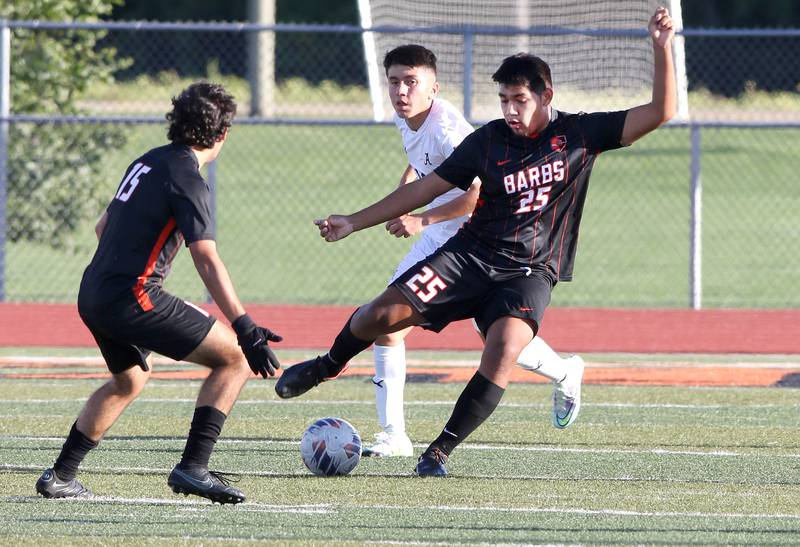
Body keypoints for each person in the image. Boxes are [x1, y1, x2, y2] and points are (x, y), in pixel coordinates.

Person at [277, 7, 676, 477]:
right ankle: (326, 365)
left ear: (547, 95)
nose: (509, 109)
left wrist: (660, 48)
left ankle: (439, 451)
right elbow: (422, 189)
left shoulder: (580, 134)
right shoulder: (487, 141)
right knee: (381, 316)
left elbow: (660, 112)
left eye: (520, 99)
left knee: (505, 346)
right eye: (503, 99)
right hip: (468, 256)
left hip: (529, 271)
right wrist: (354, 221)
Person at [35, 82, 281, 503]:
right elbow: (206, 258)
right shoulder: (188, 178)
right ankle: (193, 467)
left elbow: (102, 228)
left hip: (93, 291)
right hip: (133, 297)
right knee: (235, 358)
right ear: (222, 134)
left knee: (129, 380)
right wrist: (246, 327)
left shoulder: (147, 161)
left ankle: (60, 476)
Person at [364, 45, 585, 458]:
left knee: (494, 337)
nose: (401, 91)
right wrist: (407, 196)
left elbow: (476, 193)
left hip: (476, 241)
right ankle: (394, 434)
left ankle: (565, 370)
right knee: (389, 326)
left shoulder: (449, 130)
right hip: (440, 238)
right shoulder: (408, 118)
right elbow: (422, 165)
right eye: (394, 82)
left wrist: (420, 219)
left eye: (411, 82)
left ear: (434, 88)